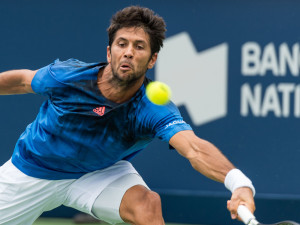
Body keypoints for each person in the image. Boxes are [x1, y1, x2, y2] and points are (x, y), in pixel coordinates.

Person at [0, 5, 255, 225]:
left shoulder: (152, 108)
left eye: (139, 47)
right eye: (122, 44)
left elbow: (194, 149)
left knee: (147, 204)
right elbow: (23, 81)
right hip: (33, 169)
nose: (129, 52)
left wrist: (239, 183)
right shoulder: (68, 77)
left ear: (152, 59)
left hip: (99, 172)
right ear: (110, 52)